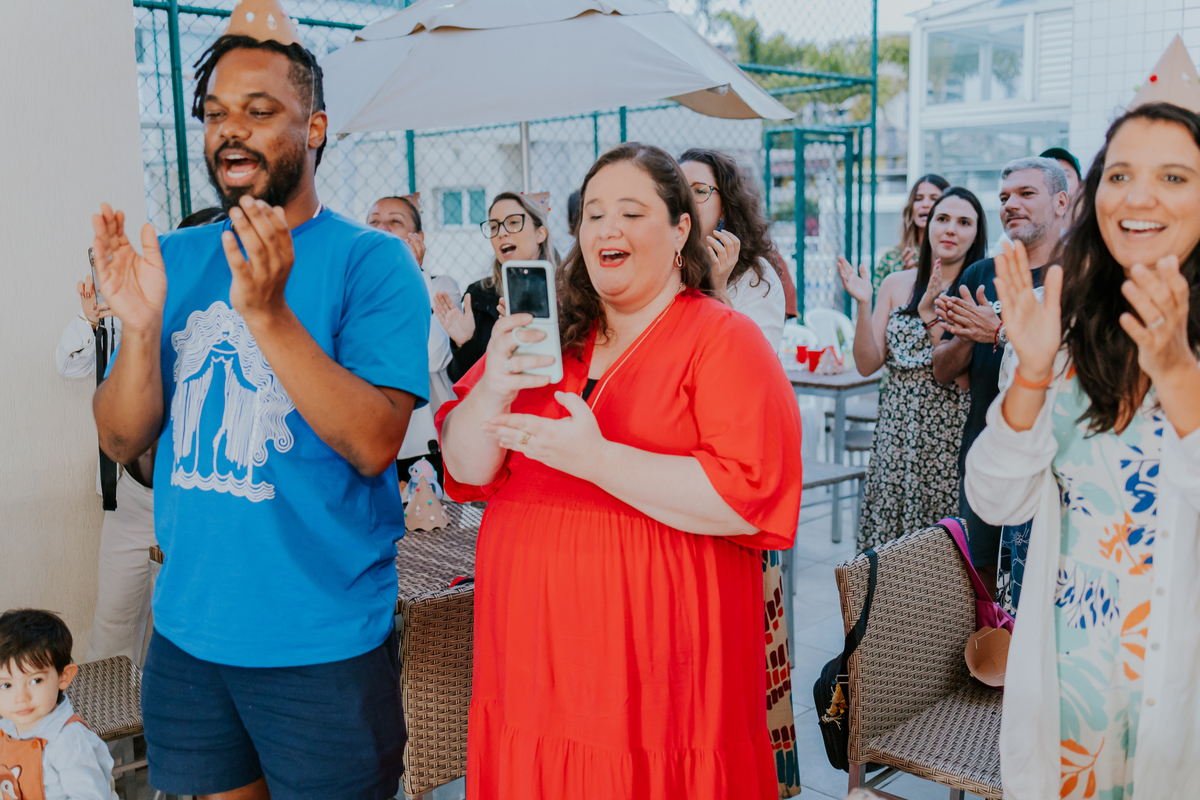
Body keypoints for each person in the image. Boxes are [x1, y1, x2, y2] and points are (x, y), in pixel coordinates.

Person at [89, 6, 429, 797]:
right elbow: (119, 439)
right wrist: (139, 331)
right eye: (214, 114)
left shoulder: (371, 264)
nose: (229, 130)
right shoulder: (173, 257)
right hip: (189, 639)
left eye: (259, 111)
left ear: (313, 128)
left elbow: (376, 441)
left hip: (322, 646)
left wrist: (270, 315)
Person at [436, 142, 803, 799]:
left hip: (660, 681)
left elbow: (746, 497)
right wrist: (492, 383)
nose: (608, 227)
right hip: (535, 668)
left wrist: (595, 460)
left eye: (632, 212)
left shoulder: (724, 340)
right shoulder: (549, 339)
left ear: (680, 228)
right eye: (594, 212)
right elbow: (464, 467)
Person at [965, 101, 1200, 800]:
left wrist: (1178, 373)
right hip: (1068, 689)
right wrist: (1032, 372)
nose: (1140, 196)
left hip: (1180, 690)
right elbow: (996, 498)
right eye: (1120, 173)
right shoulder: (1062, 330)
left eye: (1174, 176)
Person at [55, 208, 224, 665]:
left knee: (174, 632)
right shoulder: (136, 313)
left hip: (200, 501)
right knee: (112, 625)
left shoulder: (236, 325)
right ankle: (104, 738)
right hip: (133, 498)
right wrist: (99, 321)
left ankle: (158, 729)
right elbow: (70, 366)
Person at [931, 157, 1068, 596]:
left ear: (1062, 201)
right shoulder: (979, 276)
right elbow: (942, 369)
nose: (1012, 204)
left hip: (1054, 470)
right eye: (1005, 197)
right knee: (984, 590)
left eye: (1027, 194)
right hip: (986, 459)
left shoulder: (1081, 279)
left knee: (1040, 593)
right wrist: (971, 336)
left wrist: (1000, 331)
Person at [839, 187, 985, 554]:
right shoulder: (895, 283)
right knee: (889, 551)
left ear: (977, 233)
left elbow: (962, 378)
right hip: (895, 433)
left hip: (946, 440)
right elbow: (867, 363)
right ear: (929, 225)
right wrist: (863, 302)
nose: (951, 229)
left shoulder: (977, 292)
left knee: (940, 554)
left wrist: (931, 315)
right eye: (943, 219)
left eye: (964, 222)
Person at [367, 195, 455, 483]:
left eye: (395, 221)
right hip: (370, 440)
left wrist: (412, 276)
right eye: (374, 222)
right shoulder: (355, 294)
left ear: (419, 237)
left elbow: (434, 358)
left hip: (426, 447)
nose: (383, 228)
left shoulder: (440, 287)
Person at [432, 192, 559, 382]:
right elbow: (463, 382)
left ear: (540, 233)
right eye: (494, 226)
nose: (501, 232)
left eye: (514, 223)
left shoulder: (570, 292)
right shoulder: (478, 295)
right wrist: (463, 342)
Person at [0, 609, 117, 800]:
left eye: (35, 681)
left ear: (63, 677)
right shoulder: (6, 728)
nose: (21, 697)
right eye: (6, 685)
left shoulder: (69, 742)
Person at [679, 148, 786, 349]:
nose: (686, 201)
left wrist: (718, 288)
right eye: (679, 191)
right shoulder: (663, 264)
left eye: (700, 191)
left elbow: (754, 361)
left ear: (724, 209)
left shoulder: (755, 276)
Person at [872, 174, 949, 296]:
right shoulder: (892, 257)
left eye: (934, 199)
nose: (925, 204)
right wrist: (905, 279)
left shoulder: (953, 254)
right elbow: (877, 308)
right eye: (918, 199)